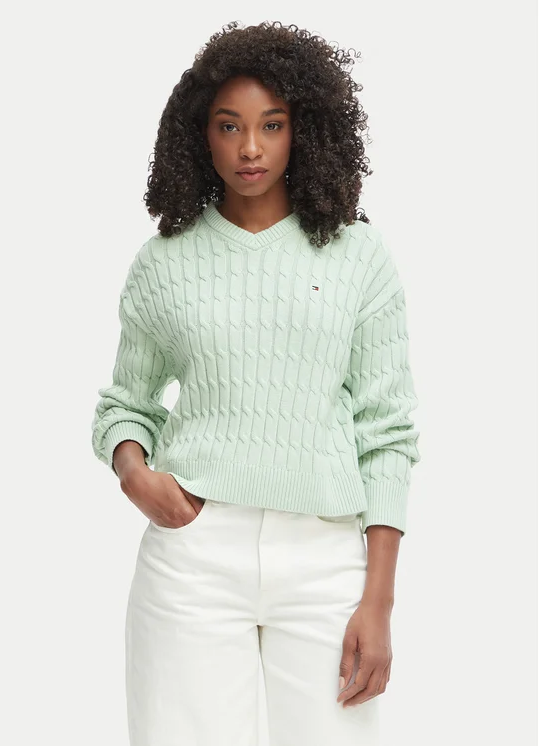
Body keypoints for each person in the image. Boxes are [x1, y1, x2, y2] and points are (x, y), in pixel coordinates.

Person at [91, 20, 421, 746]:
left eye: (271, 125)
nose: (249, 147)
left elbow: (388, 432)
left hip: (327, 558)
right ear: (200, 135)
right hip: (194, 556)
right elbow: (127, 404)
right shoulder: (164, 263)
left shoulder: (359, 256)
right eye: (229, 125)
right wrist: (133, 473)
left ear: (304, 130)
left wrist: (380, 600)